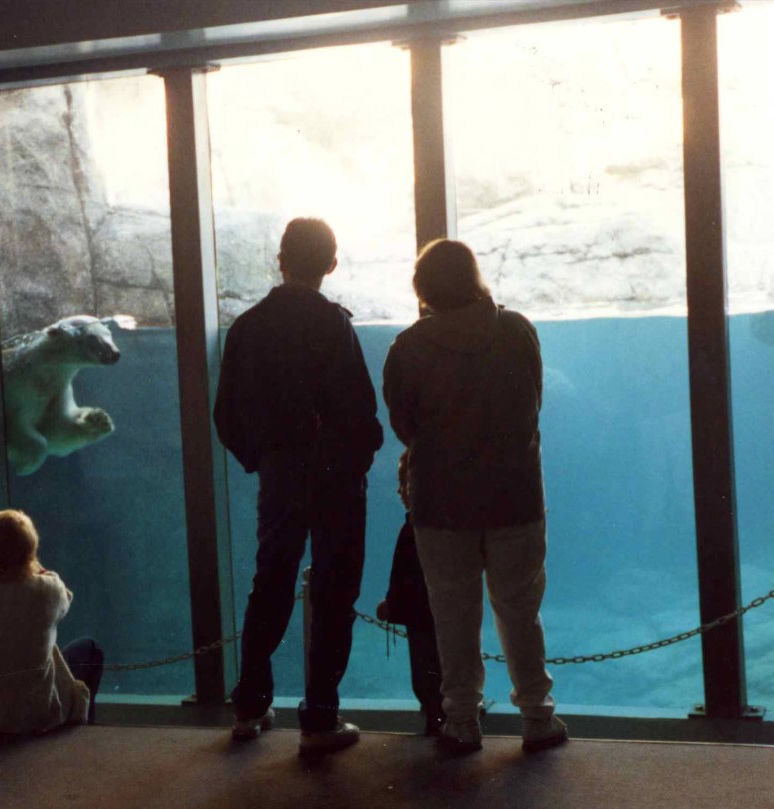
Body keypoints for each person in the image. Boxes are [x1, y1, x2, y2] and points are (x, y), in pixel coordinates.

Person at [382, 238, 567, 754]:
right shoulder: (516, 330)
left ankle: (461, 721)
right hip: (516, 500)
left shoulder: (408, 348)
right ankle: (537, 716)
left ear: (424, 288)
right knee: (520, 611)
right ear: (475, 277)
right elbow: (533, 403)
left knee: (453, 616)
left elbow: (404, 423)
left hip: (442, 506)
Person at [214, 217, 383, 754]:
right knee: (335, 591)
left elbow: (226, 416)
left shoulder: (246, 327)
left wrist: (263, 460)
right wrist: (358, 458)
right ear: (331, 264)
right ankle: (320, 716)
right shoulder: (334, 324)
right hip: (336, 479)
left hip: (281, 477)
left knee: (272, 580)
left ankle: (249, 706)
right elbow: (360, 410)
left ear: (279, 260)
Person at [0, 509, 104, 734]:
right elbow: (66, 600)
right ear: (31, 549)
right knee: (91, 648)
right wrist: (37, 569)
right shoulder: (48, 588)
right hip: (34, 714)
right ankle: (85, 737)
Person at [374, 450, 444, 736]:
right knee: (437, 671)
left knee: (425, 674)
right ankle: (441, 717)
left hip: (421, 619)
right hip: (438, 614)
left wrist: (391, 605)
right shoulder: (440, 528)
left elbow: (405, 578)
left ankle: (435, 719)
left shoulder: (412, 530)